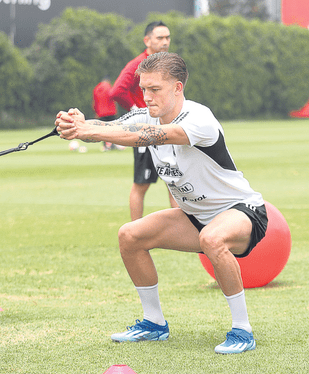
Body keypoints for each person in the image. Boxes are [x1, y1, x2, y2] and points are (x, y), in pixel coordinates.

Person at [56, 52, 267, 354]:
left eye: (155, 90)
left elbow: (152, 136)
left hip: (242, 211)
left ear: (178, 88)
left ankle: (242, 330)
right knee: (130, 235)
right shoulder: (145, 114)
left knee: (212, 238)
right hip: (194, 215)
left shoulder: (199, 118)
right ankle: (154, 324)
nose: (147, 97)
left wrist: (89, 130)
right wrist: (77, 123)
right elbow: (114, 126)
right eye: (143, 89)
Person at [110, 21, 178, 220]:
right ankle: (135, 233)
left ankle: (179, 232)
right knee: (141, 184)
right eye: (160, 38)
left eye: (167, 37)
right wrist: (138, 112)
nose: (165, 42)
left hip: (167, 129)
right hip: (146, 131)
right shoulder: (138, 64)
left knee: (174, 182)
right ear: (147, 40)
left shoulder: (169, 63)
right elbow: (117, 91)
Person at [92, 76, 119, 151]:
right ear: (108, 81)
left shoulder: (96, 88)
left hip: (101, 114)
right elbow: (114, 99)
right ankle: (113, 145)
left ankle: (106, 146)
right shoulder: (110, 87)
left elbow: (94, 103)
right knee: (112, 130)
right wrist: (116, 110)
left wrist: (96, 112)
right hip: (111, 112)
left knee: (103, 131)